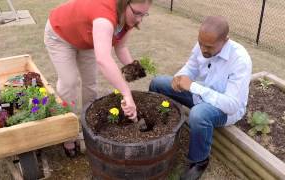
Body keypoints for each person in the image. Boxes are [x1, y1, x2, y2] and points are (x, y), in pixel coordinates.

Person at [44, 0, 152, 157]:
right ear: (124, 3)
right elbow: (103, 59)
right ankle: (68, 133)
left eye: (144, 14)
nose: (139, 20)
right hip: (61, 36)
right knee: (69, 82)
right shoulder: (105, 16)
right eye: (137, 13)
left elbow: (120, 47)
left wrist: (135, 69)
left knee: (91, 83)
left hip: (87, 39)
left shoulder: (128, 19)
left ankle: (88, 126)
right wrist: (126, 94)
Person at [149, 16, 252, 180]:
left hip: (224, 109)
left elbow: (231, 105)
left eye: (209, 46)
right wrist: (180, 77)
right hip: (201, 94)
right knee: (158, 83)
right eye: (200, 43)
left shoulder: (240, 60)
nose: (203, 49)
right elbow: (191, 67)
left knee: (199, 114)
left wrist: (193, 86)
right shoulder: (203, 44)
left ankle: (199, 161)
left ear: (225, 41)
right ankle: (163, 128)